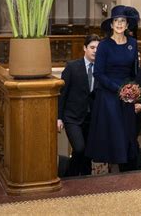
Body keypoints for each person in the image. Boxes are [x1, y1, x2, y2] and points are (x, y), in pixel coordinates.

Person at [85, 5, 140, 172]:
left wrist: (131, 89)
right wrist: (118, 89)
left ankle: (124, 177)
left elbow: (134, 71)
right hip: (108, 96)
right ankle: (112, 178)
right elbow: (98, 73)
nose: (119, 24)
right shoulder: (104, 45)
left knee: (126, 135)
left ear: (127, 24)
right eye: (116, 21)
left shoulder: (133, 43)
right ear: (111, 25)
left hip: (127, 96)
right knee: (113, 136)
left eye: (123, 21)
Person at [57, 34, 100, 176]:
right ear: (85, 48)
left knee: (87, 153)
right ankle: (70, 176)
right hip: (72, 118)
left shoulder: (102, 69)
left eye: (98, 48)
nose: (95, 51)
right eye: (92, 47)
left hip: (91, 118)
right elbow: (62, 94)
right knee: (80, 148)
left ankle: (82, 182)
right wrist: (59, 117)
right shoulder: (72, 67)